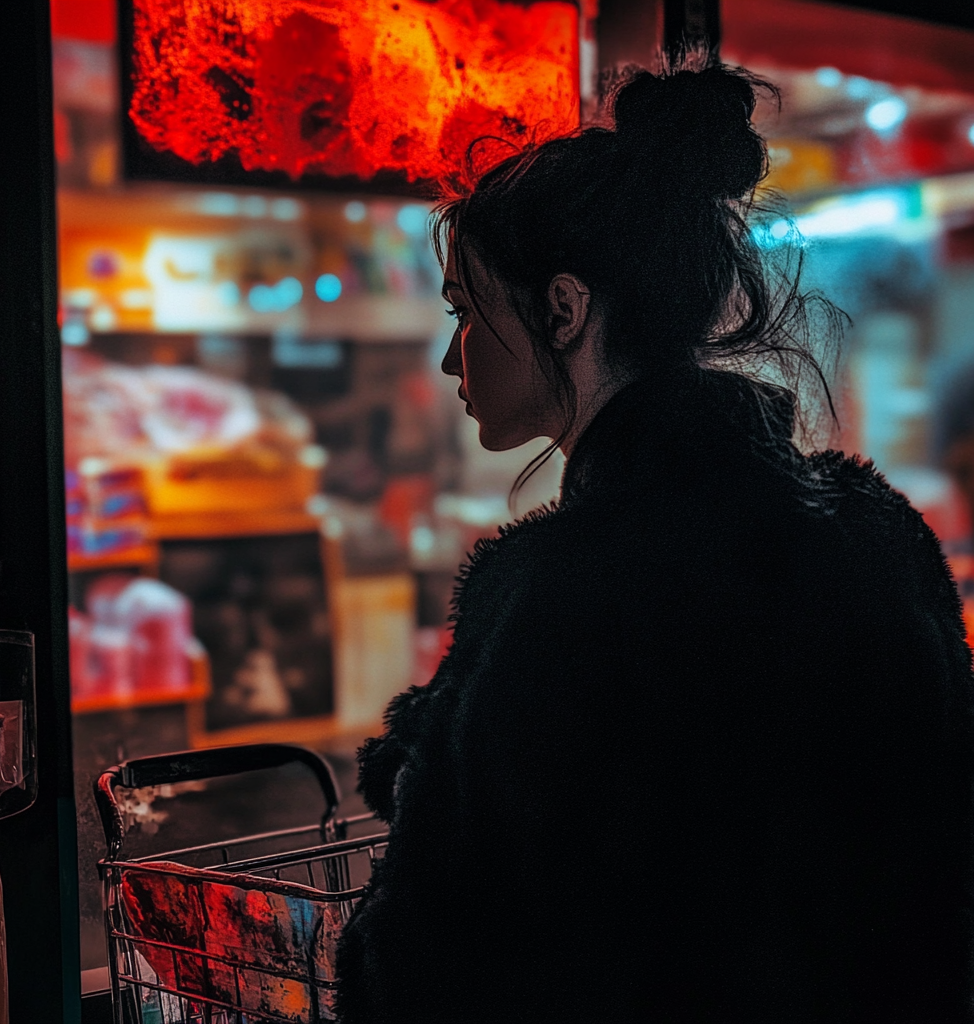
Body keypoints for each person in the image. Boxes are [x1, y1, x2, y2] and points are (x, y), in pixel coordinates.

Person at [334, 58, 974, 1023]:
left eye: (467, 311)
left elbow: (440, 967)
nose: (448, 353)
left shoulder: (553, 591)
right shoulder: (874, 534)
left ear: (563, 308)